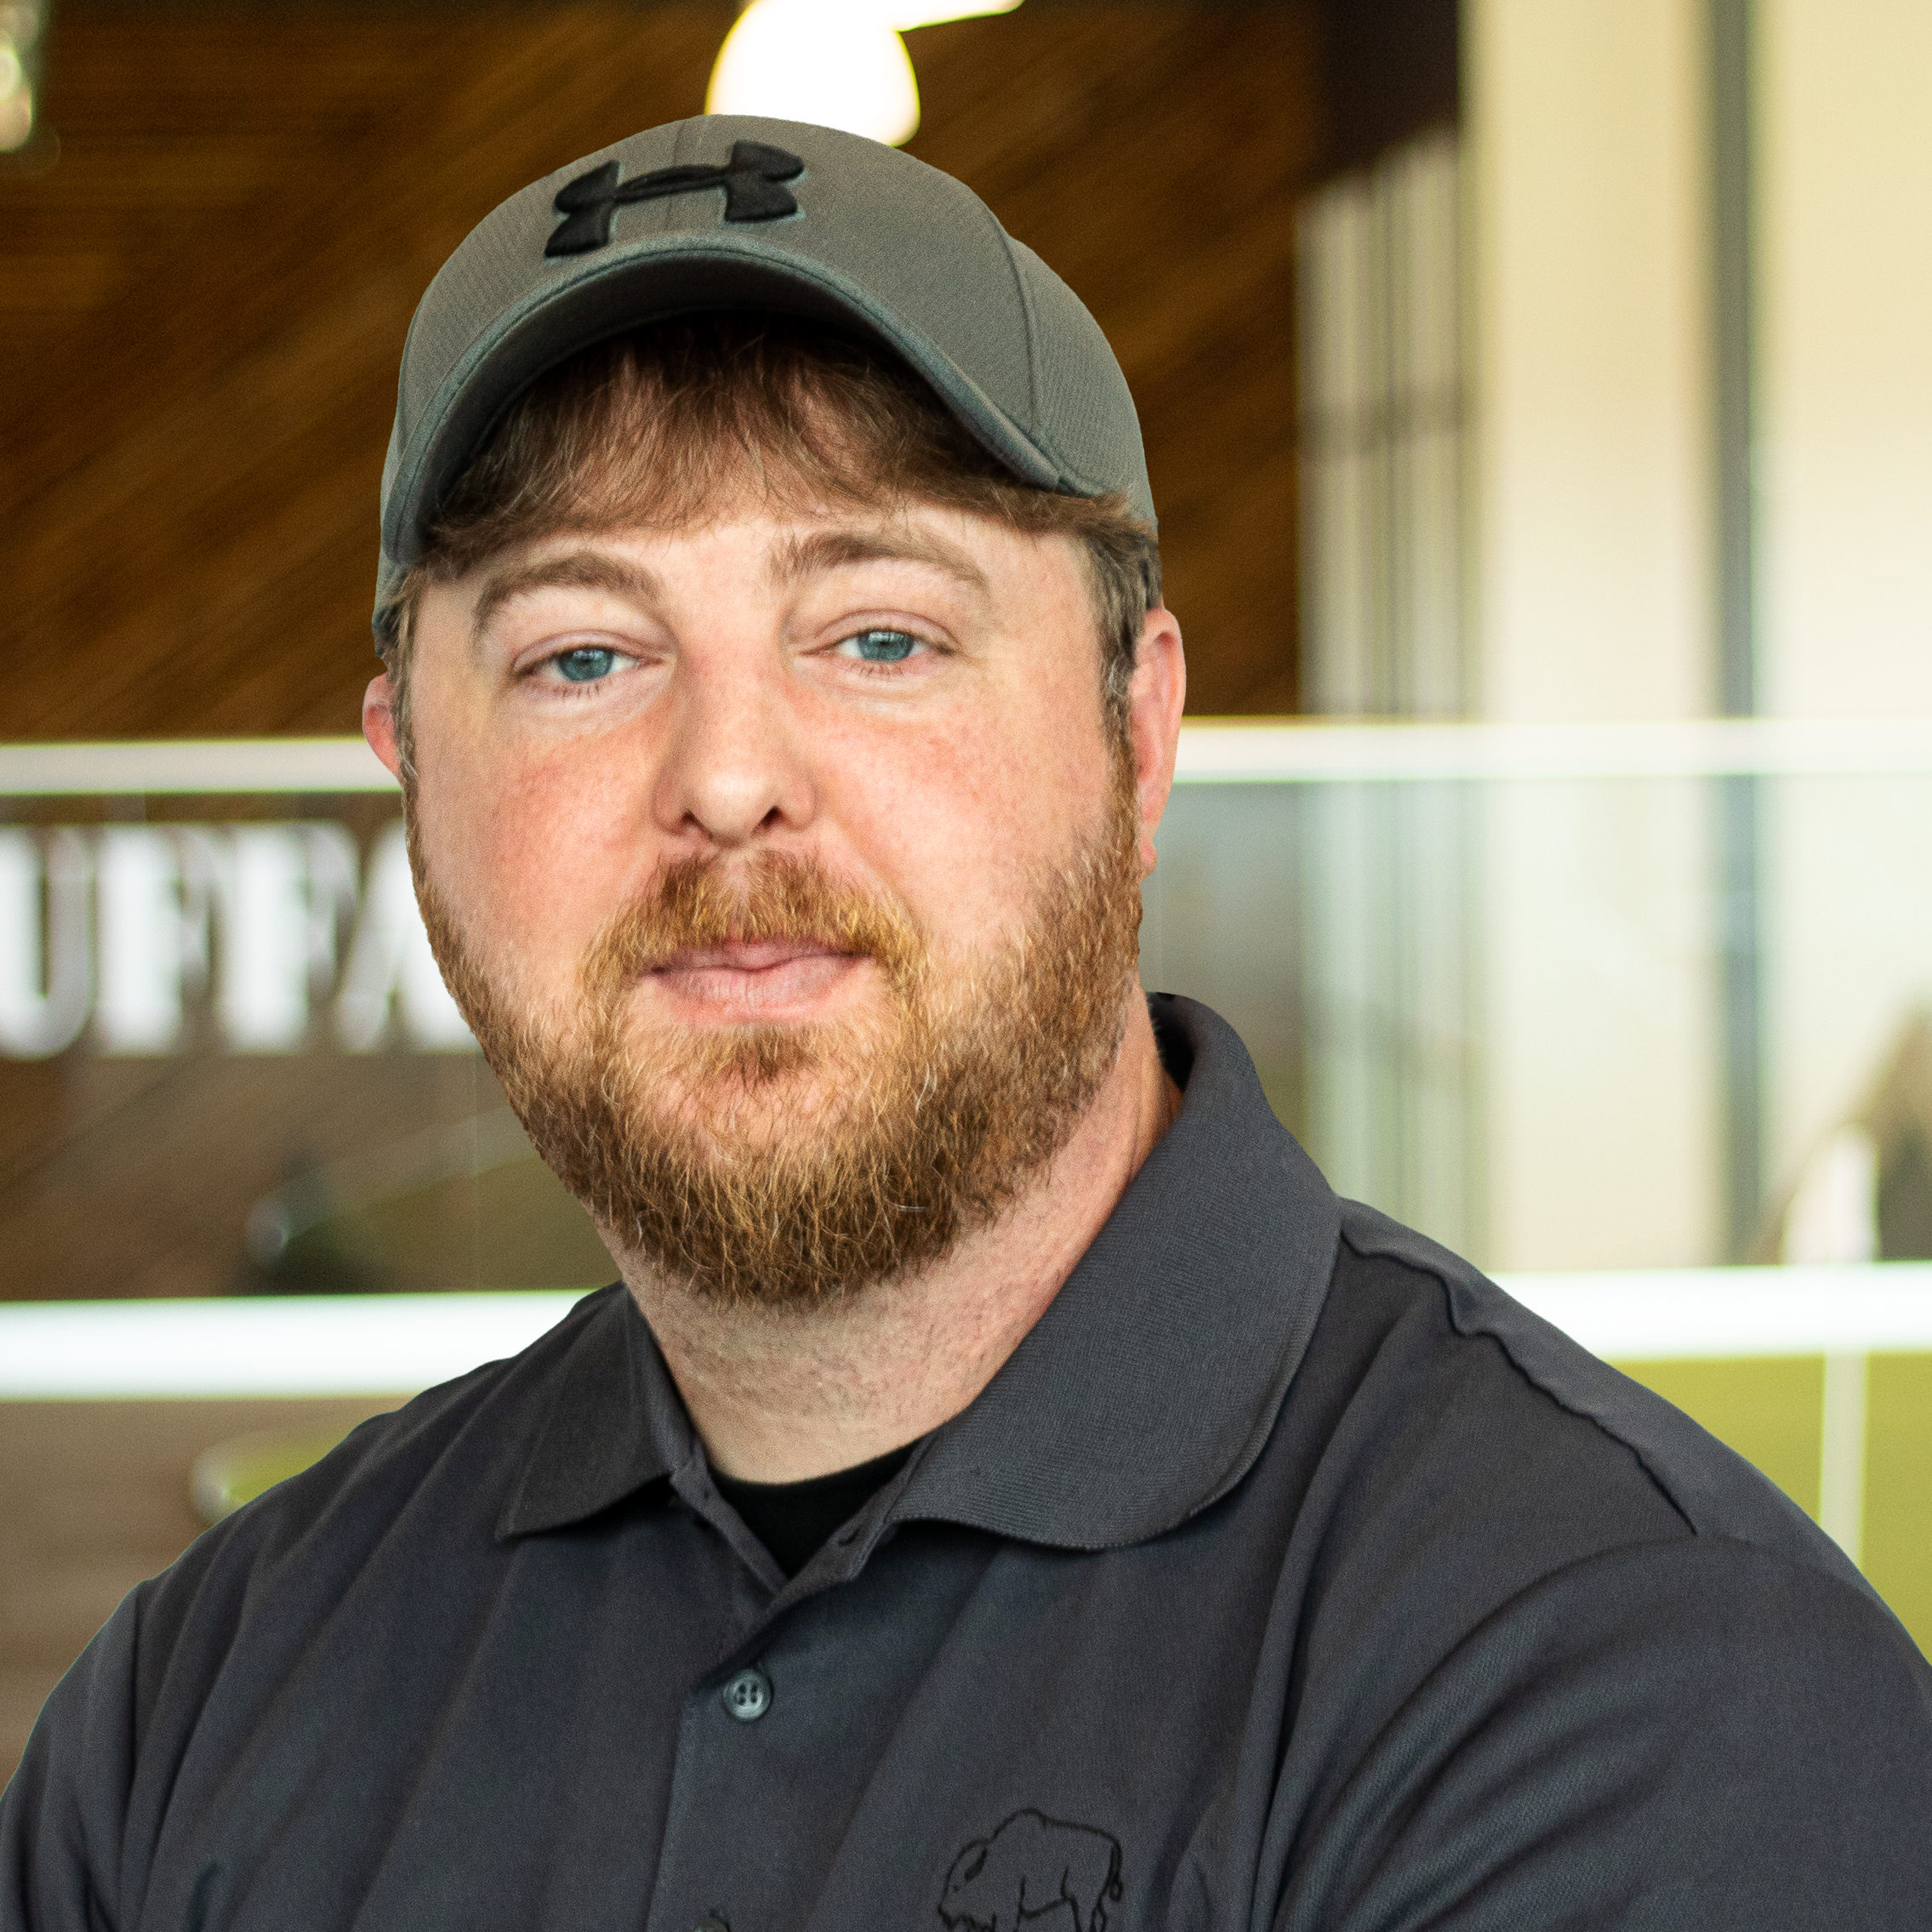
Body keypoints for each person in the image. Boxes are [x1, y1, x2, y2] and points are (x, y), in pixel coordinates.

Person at [5, 115, 1931, 1931]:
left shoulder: (1632, 1677)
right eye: (582, 653)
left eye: (880, 634)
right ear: (408, 771)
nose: (731, 776)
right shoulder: (200, 1708)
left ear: (1137, 728)